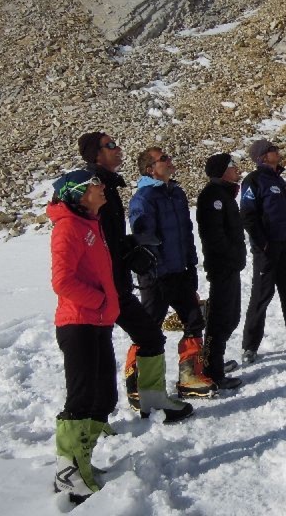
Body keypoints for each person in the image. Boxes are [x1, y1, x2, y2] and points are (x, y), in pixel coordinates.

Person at [78, 132, 192, 422]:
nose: (118, 149)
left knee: (150, 335)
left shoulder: (109, 188)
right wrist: (134, 251)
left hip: (118, 283)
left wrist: (129, 248)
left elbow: (111, 238)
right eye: (111, 145)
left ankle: (152, 399)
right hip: (102, 288)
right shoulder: (91, 187)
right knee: (97, 361)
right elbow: (90, 239)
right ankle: (91, 426)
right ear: (96, 153)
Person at [49, 170, 118, 503]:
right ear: (78, 193)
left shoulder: (90, 224)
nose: (102, 187)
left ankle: (82, 463)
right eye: (95, 184)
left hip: (97, 322)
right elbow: (62, 282)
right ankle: (67, 475)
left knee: (101, 396)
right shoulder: (68, 228)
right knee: (81, 398)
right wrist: (100, 301)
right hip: (78, 323)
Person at [129, 148, 217, 398]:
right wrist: (155, 269)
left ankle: (190, 376)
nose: (170, 161)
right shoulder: (144, 198)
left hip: (179, 271)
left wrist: (191, 265)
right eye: (163, 159)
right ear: (150, 169)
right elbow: (143, 238)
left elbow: (186, 234)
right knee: (148, 328)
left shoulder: (175, 193)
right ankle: (137, 382)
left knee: (194, 320)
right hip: (156, 276)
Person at [240, 139, 286, 363]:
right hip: (267, 249)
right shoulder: (253, 180)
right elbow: (248, 215)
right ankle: (250, 347)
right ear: (263, 156)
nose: (278, 151)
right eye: (272, 149)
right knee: (261, 296)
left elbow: (285, 216)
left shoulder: (279, 180)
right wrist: (263, 243)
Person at [196, 153, 246, 389]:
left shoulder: (224, 195)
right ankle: (212, 369)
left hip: (230, 265)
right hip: (222, 267)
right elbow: (215, 235)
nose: (237, 169)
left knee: (231, 316)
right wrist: (229, 256)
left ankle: (215, 361)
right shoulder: (213, 196)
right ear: (221, 171)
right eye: (232, 166)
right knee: (220, 318)